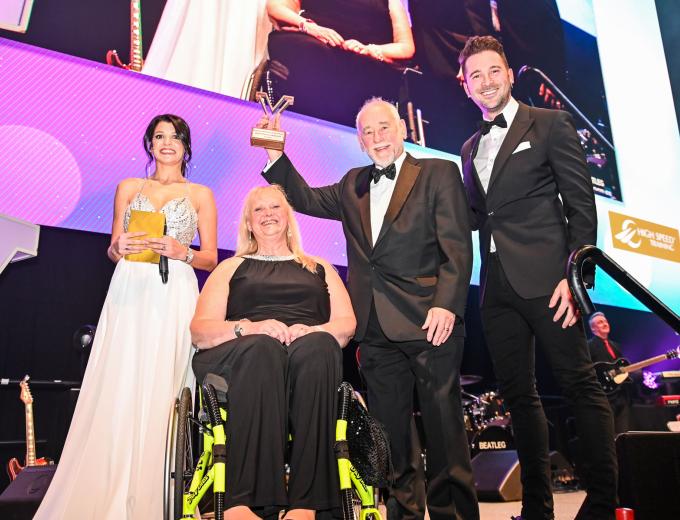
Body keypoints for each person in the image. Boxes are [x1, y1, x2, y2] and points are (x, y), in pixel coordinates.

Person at [258, 98, 479, 520]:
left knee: (443, 429)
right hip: (374, 327)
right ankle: (404, 514)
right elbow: (301, 198)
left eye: (384, 128)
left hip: (430, 321)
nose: (377, 138)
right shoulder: (352, 183)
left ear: (401, 130)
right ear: (359, 141)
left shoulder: (438, 172)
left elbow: (456, 245)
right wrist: (275, 154)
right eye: (368, 133)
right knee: (390, 435)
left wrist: (447, 305)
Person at [458, 35, 617, 519]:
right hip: (497, 286)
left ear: (508, 74)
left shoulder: (549, 124)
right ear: (465, 87)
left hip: (551, 282)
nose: (485, 82)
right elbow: (475, 215)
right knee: (518, 397)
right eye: (475, 75)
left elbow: (580, 206)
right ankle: (537, 507)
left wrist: (575, 279)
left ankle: (605, 501)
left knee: (578, 385)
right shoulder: (468, 148)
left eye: (493, 71)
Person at [35, 114, 218, 518]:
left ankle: (155, 492)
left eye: (175, 137)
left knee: (163, 385)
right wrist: (121, 246)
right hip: (129, 287)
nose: (167, 143)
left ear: (186, 147)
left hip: (174, 292)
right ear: (149, 144)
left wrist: (179, 249)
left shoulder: (202, 194)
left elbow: (210, 258)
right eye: (159, 136)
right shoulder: (128, 187)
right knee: (119, 381)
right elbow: (113, 248)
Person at [190, 184, 356, 520]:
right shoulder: (231, 268)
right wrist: (248, 326)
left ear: (288, 217)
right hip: (241, 351)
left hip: (306, 350)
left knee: (320, 347)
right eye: (259, 209)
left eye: (275, 207)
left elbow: (347, 324)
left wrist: (314, 330)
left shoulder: (319, 267)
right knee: (264, 348)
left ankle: (306, 504)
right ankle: (243, 503)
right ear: (249, 223)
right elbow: (200, 331)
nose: (268, 214)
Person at [264, 0, 415, 127]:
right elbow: (276, 8)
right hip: (313, 41)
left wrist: (369, 50)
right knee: (313, 52)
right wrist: (309, 27)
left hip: (366, 59)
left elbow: (406, 48)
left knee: (357, 67)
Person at [588, 311, 632, 434]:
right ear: (593, 328)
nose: (604, 324)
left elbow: (622, 370)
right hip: (604, 398)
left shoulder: (616, 346)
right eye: (600, 322)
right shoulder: (589, 346)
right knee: (608, 434)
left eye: (605, 321)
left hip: (621, 397)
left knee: (623, 435)